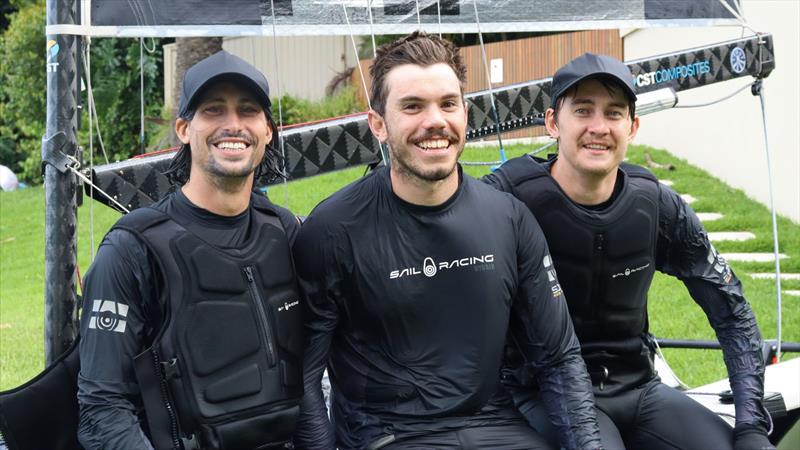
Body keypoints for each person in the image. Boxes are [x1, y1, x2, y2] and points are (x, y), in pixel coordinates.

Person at [293, 32, 601, 450]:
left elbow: (559, 358)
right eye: (412, 106)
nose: (434, 121)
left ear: (465, 114)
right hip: (388, 434)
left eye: (447, 103)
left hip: (495, 425)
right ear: (378, 124)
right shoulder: (332, 230)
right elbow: (305, 380)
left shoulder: (509, 219)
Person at [484, 52, 774, 450]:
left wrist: (752, 426)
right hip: (539, 394)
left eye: (614, 113)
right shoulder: (506, 199)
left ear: (633, 126)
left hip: (638, 388)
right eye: (583, 111)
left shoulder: (655, 205)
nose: (598, 127)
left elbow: (732, 312)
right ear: (553, 122)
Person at [77, 51, 304, 450]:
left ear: (268, 131)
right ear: (183, 129)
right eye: (213, 110)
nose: (233, 125)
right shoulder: (133, 250)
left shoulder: (286, 232)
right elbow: (102, 410)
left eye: (248, 111)